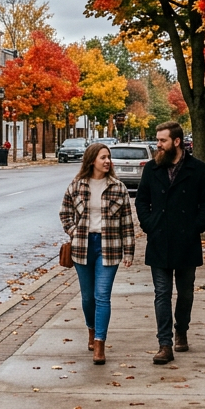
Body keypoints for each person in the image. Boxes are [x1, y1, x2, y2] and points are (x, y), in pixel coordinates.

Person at [135, 121, 205, 365]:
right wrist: (150, 224)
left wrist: (196, 227)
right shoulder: (152, 169)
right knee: (162, 293)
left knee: (186, 292)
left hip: (186, 240)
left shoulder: (197, 169)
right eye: (158, 140)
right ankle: (165, 343)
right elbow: (141, 201)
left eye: (162, 141)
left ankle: (182, 329)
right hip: (159, 239)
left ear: (176, 142)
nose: (157, 145)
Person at [59, 142, 135, 366]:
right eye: (103, 157)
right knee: (87, 297)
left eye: (108, 157)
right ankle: (91, 329)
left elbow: (127, 223)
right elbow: (65, 212)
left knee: (102, 296)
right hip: (83, 246)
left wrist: (128, 251)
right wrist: (74, 232)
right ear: (92, 160)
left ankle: (100, 343)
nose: (107, 161)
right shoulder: (77, 185)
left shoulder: (117, 187)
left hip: (108, 247)